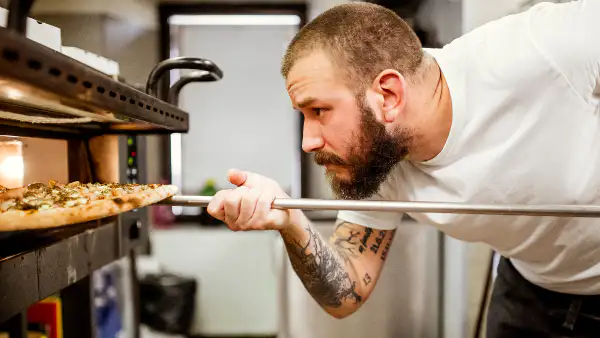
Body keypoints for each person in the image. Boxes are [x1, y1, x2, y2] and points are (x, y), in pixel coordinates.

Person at [206, 1, 600, 337]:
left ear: (388, 95)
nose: (308, 141)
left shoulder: (541, 47)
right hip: (530, 291)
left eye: (319, 111)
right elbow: (346, 293)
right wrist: (290, 221)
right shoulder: (381, 159)